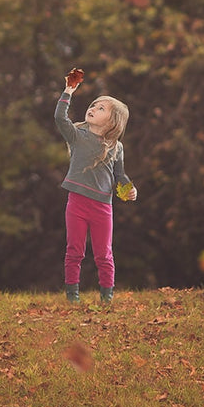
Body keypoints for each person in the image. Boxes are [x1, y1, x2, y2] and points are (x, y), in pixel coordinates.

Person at [53, 70, 135, 304]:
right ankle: (72, 297)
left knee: (103, 254)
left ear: (112, 122)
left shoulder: (116, 147)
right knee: (74, 252)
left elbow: (119, 176)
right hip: (77, 203)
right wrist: (68, 91)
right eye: (93, 104)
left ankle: (106, 298)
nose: (93, 108)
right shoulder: (77, 135)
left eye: (101, 108)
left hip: (103, 208)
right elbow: (60, 118)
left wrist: (129, 190)